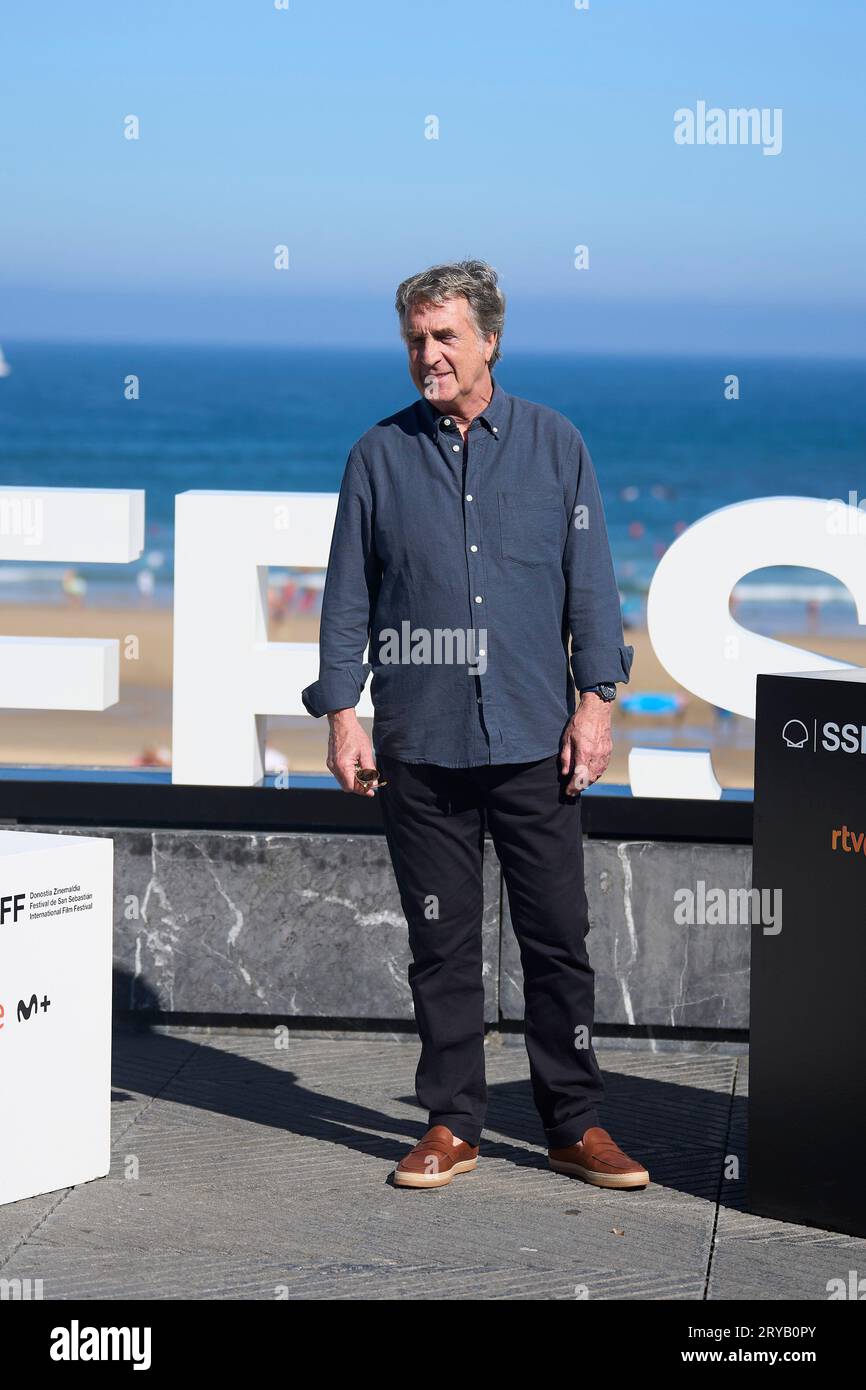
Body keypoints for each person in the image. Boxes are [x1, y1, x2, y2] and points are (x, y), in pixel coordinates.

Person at [302, 259, 649, 1192]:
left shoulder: (555, 446)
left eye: (446, 337)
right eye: (416, 339)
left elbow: (592, 589)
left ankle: (575, 1125)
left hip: (538, 739)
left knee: (558, 940)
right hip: (421, 743)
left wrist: (595, 705)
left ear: (491, 339)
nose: (429, 355)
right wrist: (344, 715)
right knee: (441, 945)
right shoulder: (376, 457)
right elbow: (345, 601)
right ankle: (453, 1124)